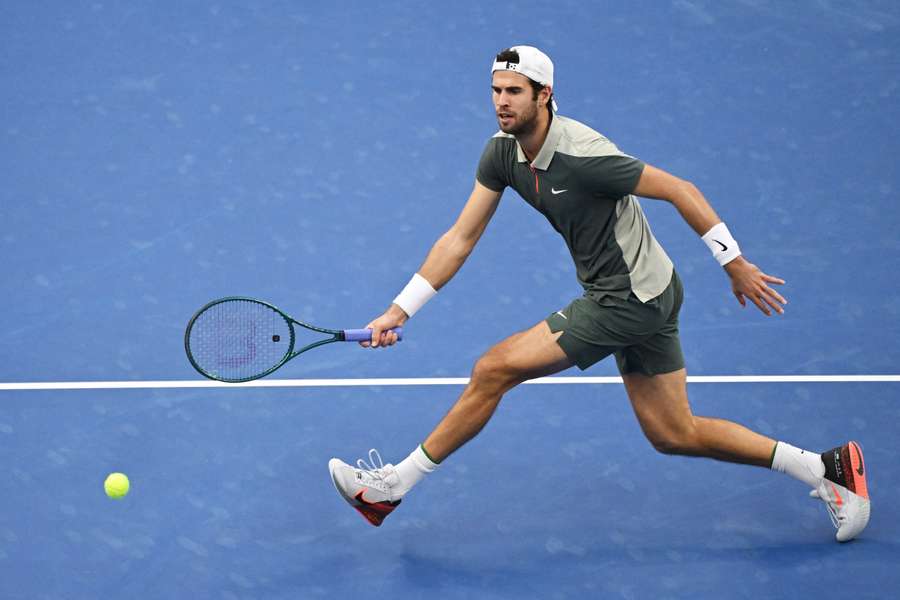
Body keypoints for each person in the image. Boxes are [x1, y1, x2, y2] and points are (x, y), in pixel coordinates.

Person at [328, 46, 870, 542]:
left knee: (494, 368)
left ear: (544, 96)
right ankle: (827, 469)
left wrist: (734, 263)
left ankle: (391, 487)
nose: (501, 102)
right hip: (653, 289)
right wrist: (400, 310)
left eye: (514, 91)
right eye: (496, 90)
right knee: (673, 432)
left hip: (627, 299)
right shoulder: (502, 155)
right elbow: (460, 237)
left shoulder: (586, 156)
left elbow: (681, 190)